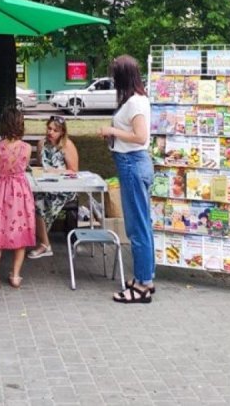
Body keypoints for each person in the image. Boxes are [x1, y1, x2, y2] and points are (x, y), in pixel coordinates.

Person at [100, 55, 155, 304]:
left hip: (132, 164)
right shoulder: (137, 99)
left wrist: (112, 130)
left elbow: (140, 137)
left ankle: (142, 285)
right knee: (141, 225)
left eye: (115, 75)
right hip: (133, 164)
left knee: (137, 227)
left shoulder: (134, 103)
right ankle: (146, 278)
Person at [0, 107, 36, 289]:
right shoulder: (27, 148)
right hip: (21, 192)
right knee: (20, 231)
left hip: (2, 191)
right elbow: (24, 167)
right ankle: (15, 275)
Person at [28, 115, 79, 259]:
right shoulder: (42, 144)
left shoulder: (67, 145)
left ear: (62, 132)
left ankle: (44, 245)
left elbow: (74, 171)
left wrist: (55, 172)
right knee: (30, 198)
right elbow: (40, 165)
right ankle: (41, 241)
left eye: (55, 130)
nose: (50, 132)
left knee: (37, 202)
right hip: (44, 185)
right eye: (49, 128)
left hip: (64, 188)